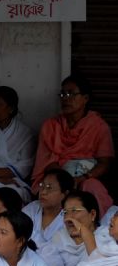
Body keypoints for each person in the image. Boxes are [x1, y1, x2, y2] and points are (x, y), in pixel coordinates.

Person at [32, 75, 114, 216]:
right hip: (57, 176)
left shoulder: (99, 127)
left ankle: (98, 225)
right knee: (54, 189)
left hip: (86, 177)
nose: (65, 98)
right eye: (62, 94)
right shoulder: (50, 126)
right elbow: (46, 162)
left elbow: (104, 163)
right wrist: (66, 180)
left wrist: (83, 178)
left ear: (85, 98)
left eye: (71, 94)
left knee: (92, 187)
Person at [39, 190, 100, 266]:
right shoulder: (59, 237)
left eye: (74, 211)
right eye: (65, 212)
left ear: (92, 214)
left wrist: (84, 233)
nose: (68, 217)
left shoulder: (105, 238)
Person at [23, 168, 74, 248]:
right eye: (42, 186)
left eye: (49, 188)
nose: (43, 192)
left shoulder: (70, 219)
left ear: (65, 194)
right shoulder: (32, 208)